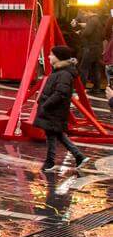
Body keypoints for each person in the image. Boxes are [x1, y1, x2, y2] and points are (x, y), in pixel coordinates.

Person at [36, 44, 89, 175]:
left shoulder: (64, 74)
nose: (49, 56)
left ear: (58, 57)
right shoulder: (60, 71)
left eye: (52, 54)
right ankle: (77, 156)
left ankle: (51, 162)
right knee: (55, 133)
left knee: (53, 134)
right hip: (54, 110)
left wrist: (46, 104)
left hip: (54, 110)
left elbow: (61, 93)